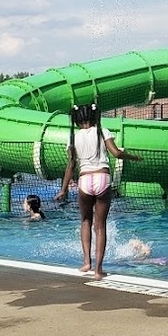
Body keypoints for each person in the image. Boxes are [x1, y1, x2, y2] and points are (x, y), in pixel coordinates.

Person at [56, 103, 141, 280]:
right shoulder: (103, 131)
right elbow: (116, 154)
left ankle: (86, 262)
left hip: (85, 179)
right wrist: (133, 157)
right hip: (102, 178)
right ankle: (98, 270)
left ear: (77, 120)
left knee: (85, 220)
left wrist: (63, 190)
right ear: (95, 118)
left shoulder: (73, 138)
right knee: (100, 225)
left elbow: (71, 166)